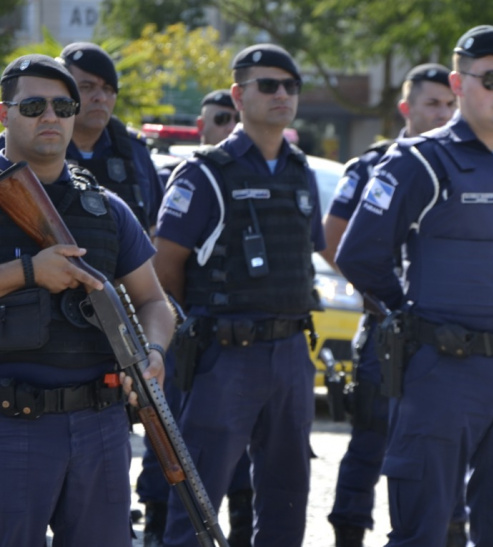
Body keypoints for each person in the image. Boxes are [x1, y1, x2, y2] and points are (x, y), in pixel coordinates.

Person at [336, 25, 493, 547]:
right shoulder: (419, 161)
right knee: (422, 529)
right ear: (459, 84)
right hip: (442, 372)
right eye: (491, 78)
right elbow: (360, 254)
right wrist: (408, 317)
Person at [153, 44, 324, 547]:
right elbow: (166, 266)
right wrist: (207, 323)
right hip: (225, 356)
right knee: (200, 500)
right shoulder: (206, 170)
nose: (281, 95)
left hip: (292, 354)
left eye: (290, 86)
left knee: (288, 496)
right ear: (238, 94)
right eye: (267, 85)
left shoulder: (300, 170)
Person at [0, 54, 171, 545]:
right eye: (33, 105)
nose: (50, 116)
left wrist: (154, 354)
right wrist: (29, 271)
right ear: (4, 114)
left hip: (100, 426)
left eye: (62, 104)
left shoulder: (106, 207)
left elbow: (155, 302)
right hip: (10, 426)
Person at [322, 63, 464, 547]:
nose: (443, 113)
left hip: (445, 334)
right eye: (432, 103)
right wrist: (387, 297)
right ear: (407, 107)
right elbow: (335, 240)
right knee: (369, 445)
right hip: (387, 330)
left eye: (449, 104)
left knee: (444, 450)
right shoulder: (373, 164)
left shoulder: (463, 164)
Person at [136, 88, 252, 547]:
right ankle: (159, 523)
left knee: (240, 453)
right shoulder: (189, 173)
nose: (228, 126)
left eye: (232, 118)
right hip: (186, 330)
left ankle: (240, 524)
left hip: (240, 345)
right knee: (167, 434)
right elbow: (165, 263)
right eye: (219, 118)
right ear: (202, 124)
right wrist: (185, 319)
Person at [57, 42, 164, 234]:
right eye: (87, 87)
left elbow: (155, 227)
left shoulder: (134, 151)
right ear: (62, 91)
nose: (101, 98)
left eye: (108, 89)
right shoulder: (34, 144)